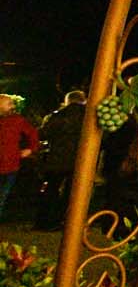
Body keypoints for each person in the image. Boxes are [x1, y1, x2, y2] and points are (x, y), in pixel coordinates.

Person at [35, 90, 87, 229]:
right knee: (73, 192)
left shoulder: (57, 116)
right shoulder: (88, 116)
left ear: (67, 101)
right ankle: (68, 221)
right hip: (80, 160)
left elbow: (43, 133)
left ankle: (45, 220)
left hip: (56, 159)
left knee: (51, 189)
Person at [0, 95, 40, 220]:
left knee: (3, 195)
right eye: (9, 104)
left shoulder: (18, 120)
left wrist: (31, 149)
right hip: (10, 162)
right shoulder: (17, 120)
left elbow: (32, 133)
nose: (12, 106)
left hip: (11, 163)